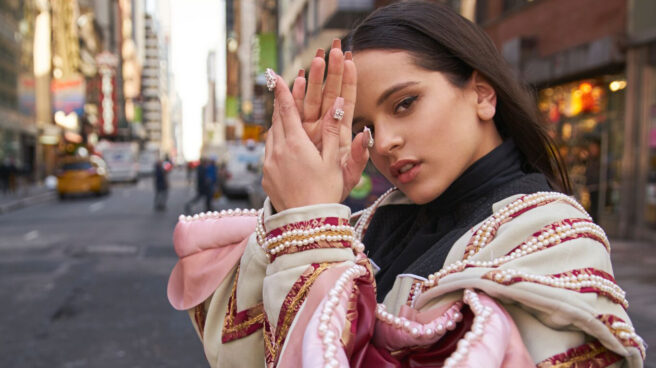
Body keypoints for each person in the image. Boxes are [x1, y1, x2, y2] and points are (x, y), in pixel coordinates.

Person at [167, 2, 645, 367]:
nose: (385, 143)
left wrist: (308, 229)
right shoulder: (369, 222)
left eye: (404, 103)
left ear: (481, 94)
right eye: (365, 125)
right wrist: (296, 212)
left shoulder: (555, 238)